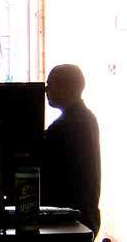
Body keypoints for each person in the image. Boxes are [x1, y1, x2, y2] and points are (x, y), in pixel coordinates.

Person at [40, 64, 101, 238]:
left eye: (50, 84)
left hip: (71, 219)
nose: (46, 89)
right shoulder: (85, 117)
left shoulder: (68, 124)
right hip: (85, 215)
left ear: (65, 89)